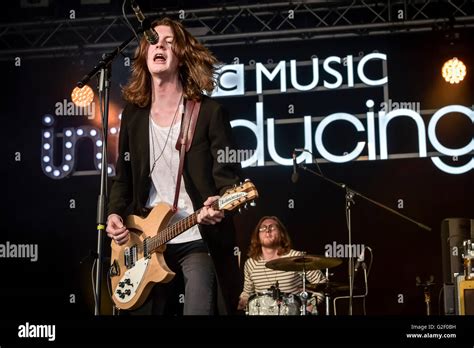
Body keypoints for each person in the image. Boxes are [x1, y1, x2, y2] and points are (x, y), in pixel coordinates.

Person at [106, 17, 242, 315]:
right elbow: (123, 177)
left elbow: (228, 176)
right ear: (143, 54)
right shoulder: (133, 116)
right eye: (154, 41)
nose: (160, 46)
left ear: (181, 56)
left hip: (196, 234)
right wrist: (115, 213)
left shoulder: (208, 112)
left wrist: (221, 201)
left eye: (169, 42)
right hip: (146, 239)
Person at [238, 216, 326, 315]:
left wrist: (310, 306)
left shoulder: (296, 257)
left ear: (281, 234)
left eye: (272, 227)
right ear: (257, 236)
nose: (267, 231)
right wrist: (242, 301)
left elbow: (321, 283)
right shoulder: (251, 263)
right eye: (262, 228)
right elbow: (247, 293)